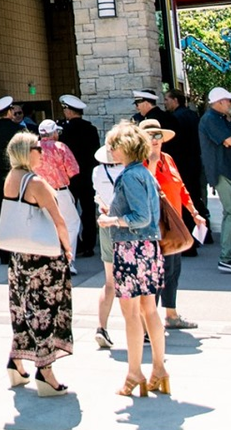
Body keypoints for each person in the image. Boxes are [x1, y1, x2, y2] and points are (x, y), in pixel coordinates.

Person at [97, 121, 170, 398]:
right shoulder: (144, 173)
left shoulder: (129, 176)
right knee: (149, 311)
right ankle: (158, 368)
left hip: (131, 250)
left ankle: (134, 372)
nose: (110, 150)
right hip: (148, 248)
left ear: (123, 148)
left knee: (131, 315)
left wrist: (111, 219)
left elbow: (141, 217)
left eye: (113, 145)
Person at [1, 131, 75, 397]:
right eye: (36, 147)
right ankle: (45, 372)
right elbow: (58, 221)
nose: (41, 151)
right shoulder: (36, 183)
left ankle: (16, 362)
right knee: (46, 312)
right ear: (25, 151)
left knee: (23, 309)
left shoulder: (12, 179)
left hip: (20, 256)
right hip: (44, 258)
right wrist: (67, 249)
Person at [141, 120, 204, 332]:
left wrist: (194, 212)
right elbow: (146, 188)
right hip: (154, 226)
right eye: (150, 136)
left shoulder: (168, 159)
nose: (155, 140)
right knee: (160, 272)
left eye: (158, 136)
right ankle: (150, 322)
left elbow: (180, 187)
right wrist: (151, 162)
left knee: (173, 269)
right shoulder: (139, 162)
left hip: (172, 224)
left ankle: (170, 314)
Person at [198, 88, 231, 274]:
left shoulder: (220, 119)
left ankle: (227, 256)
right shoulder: (211, 120)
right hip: (223, 171)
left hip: (229, 170)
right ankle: (226, 258)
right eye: (229, 100)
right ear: (219, 101)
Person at [89, 143, 125, 350]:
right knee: (134, 281)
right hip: (125, 224)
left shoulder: (97, 171)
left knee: (110, 281)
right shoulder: (131, 171)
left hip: (105, 221)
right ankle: (144, 329)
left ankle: (101, 327)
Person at [160, 90, 205, 253]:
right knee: (195, 196)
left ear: (175, 100)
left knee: (184, 199)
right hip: (195, 160)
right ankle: (201, 235)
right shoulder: (193, 115)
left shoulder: (177, 118)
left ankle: (188, 239)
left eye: (167, 99)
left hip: (183, 162)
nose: (165, 103)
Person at [56, 95, 100, 259]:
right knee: (88, 211)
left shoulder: (65, 131)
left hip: (70, 177)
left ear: (68, 111)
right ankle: (89, 244)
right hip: (87, 175)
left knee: (69, 212)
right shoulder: (91, 129)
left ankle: (74, 244)